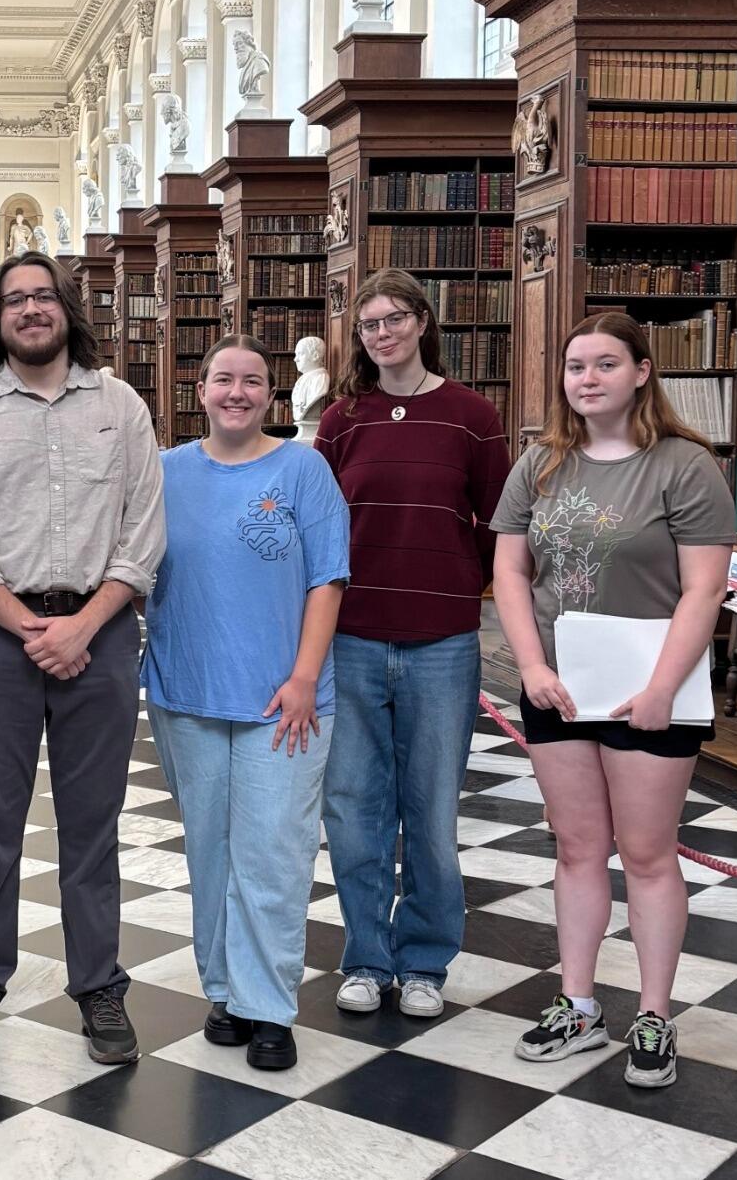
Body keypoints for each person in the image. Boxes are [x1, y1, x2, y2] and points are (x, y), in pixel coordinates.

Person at [0, 251, 165, 1067]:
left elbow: (143, 536)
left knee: (93, 825)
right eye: (14, 300)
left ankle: (97, 984)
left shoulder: (121, 407)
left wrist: (82, 626)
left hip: (98, 635)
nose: (31, 309)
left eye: (44, 296)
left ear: (68, 309)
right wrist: (33, 627)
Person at [491, 312, 734, 1090]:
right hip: (557, 686)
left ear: (641, 372)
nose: (585, 379)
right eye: (574, 366)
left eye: (602, 364)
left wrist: (662, 686)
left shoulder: (683, 467)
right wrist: (528, 666)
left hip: (645, 688)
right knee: (573, 846)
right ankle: (578, 1001)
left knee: (648, 853)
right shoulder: (539, 463)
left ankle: (654, 1014)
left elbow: (704, 587)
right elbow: (510, 572)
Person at [143, 335, 349, 1071]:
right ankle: (223, 990)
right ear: (199, 391)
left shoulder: (303, 468)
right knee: (210, 852)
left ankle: (269, 1007)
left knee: (274, 852)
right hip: (186, 691)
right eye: (222, 379)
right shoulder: (164, 472)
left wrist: (302, 676)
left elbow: (327, 579)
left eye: (252, 381)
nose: (237, 392)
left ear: (272, 395)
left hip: (284, 699)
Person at [316, 267, 511, 1020]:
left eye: (393, 318)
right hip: (353, 637)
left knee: (430, 809)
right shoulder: (343, 419)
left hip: (441, 641)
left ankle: (424, 960)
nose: (382, 333)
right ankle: (367, 955)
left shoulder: (470, 416)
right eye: (368, 325)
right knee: (353, 806)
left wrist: (465, 585)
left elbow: (496, 521)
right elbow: (320, 529)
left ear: (423, 322)